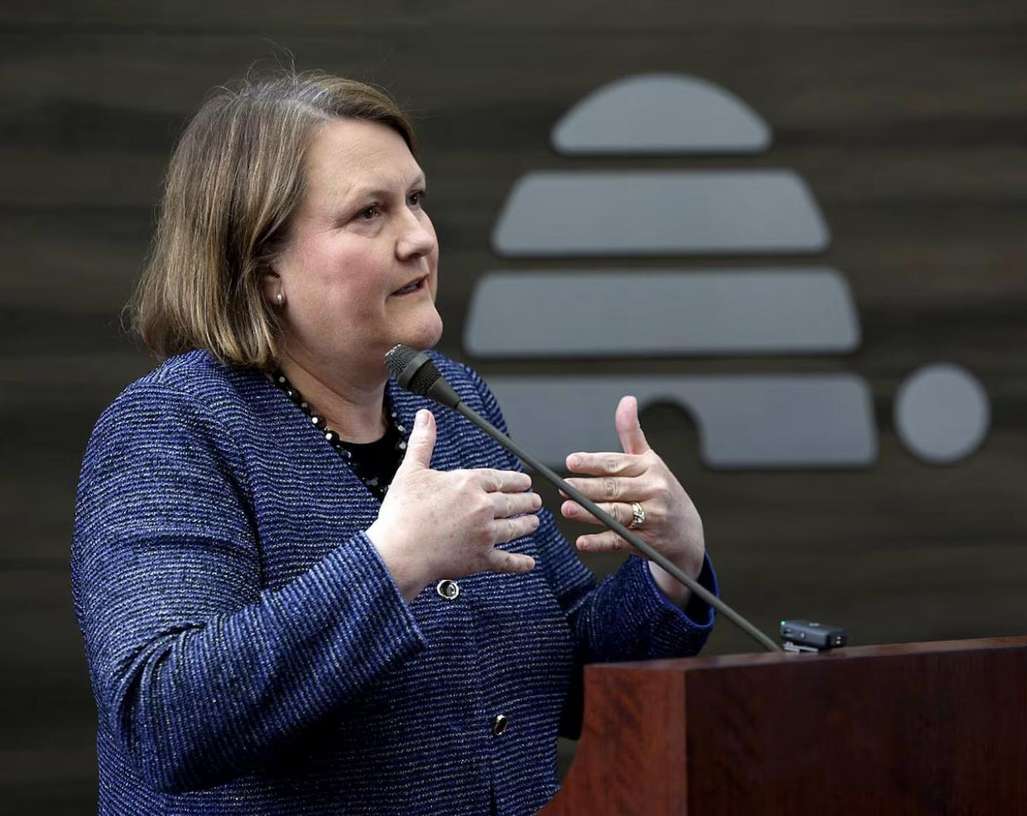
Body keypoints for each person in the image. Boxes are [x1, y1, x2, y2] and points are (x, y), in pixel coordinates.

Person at [70, 70, 718, 815]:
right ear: (265, 268)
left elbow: (564, 683)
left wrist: (672, 568)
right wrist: (390, 565)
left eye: (416, 200)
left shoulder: (452, 401)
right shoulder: (173, 428)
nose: (418, 237)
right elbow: (164, 718)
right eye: (369, 213)